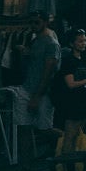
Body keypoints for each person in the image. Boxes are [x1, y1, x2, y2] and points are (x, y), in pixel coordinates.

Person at [16, 10, 62, 157]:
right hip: (28, 87)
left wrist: (37, 96)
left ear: (45, 22)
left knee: (44, 128)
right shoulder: (35, 41)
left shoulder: (51, 43)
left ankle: (68, 139)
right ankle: (25, 165)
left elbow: (48, 72)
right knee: (24, 127)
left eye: (37, 22)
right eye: (31, 22)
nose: (33, 25)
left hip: (42, 92)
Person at [57, 28, 86, 155]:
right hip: (73, 104)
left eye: (84, 41)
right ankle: (66, 168)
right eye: (80, 41)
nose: (83, 43)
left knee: (85, 136)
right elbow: (70, 84)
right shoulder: (68, 61)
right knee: (70, 136)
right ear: (72, 43)